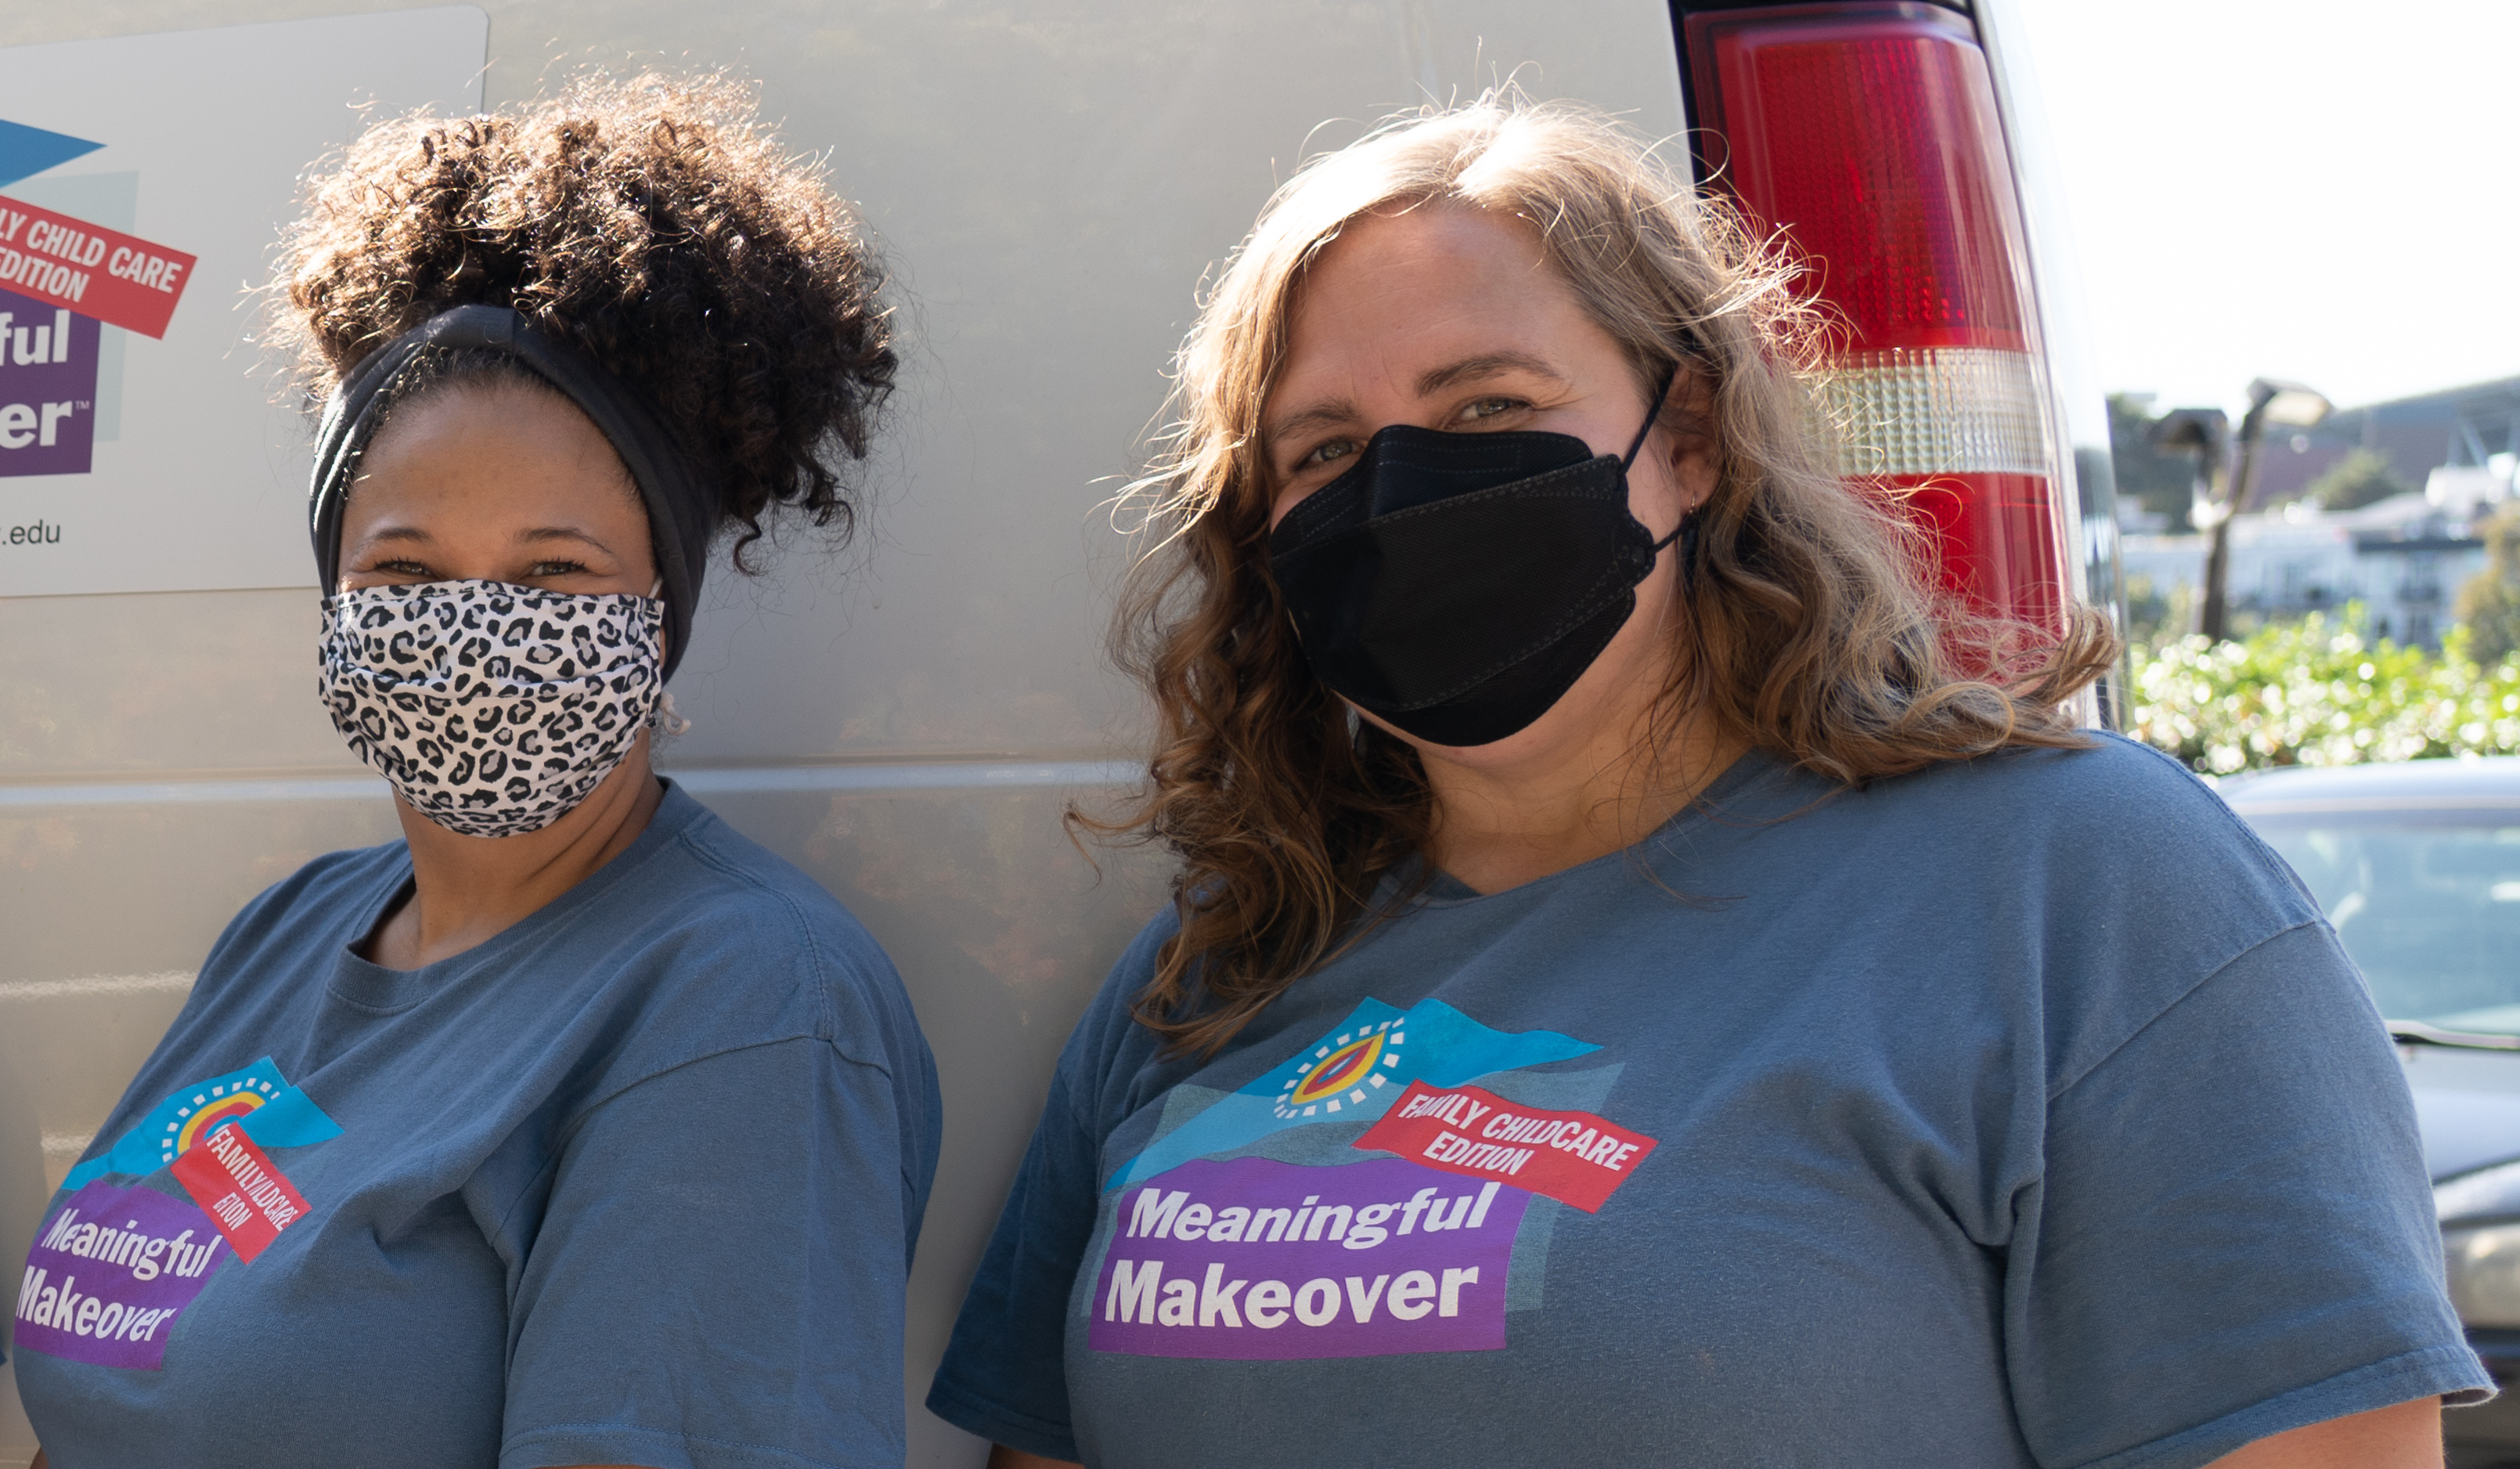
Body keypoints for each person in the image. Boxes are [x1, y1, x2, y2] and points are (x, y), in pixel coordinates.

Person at [927, 98, 2486, 1469]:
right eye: (1321, 451)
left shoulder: (2075, 887)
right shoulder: (1211, 970)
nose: (1401, 492)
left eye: (1484, 409)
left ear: (1684, 442)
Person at [6, 74, 940, 1469]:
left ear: (660, 609)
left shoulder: (743, 1002)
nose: (475, 626)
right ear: (332, 593)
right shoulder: (294, 929)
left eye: (555, 571)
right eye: (406, 569)